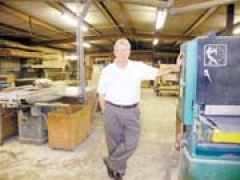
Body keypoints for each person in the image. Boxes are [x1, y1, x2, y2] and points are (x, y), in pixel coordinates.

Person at [97, 38, 183, 180]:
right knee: (113, 143)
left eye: (126, 50)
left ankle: (111, 162)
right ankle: (118, 172)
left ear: (129, 52)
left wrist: (174, 67)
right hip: (111, 110)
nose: (123, 54)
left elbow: (157, 72)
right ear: (115, 52)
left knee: (131, 142)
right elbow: (101, 93)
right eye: (120, 51)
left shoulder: (137, 67)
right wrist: (105, 112)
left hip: (132, 111)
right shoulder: (107, 71)